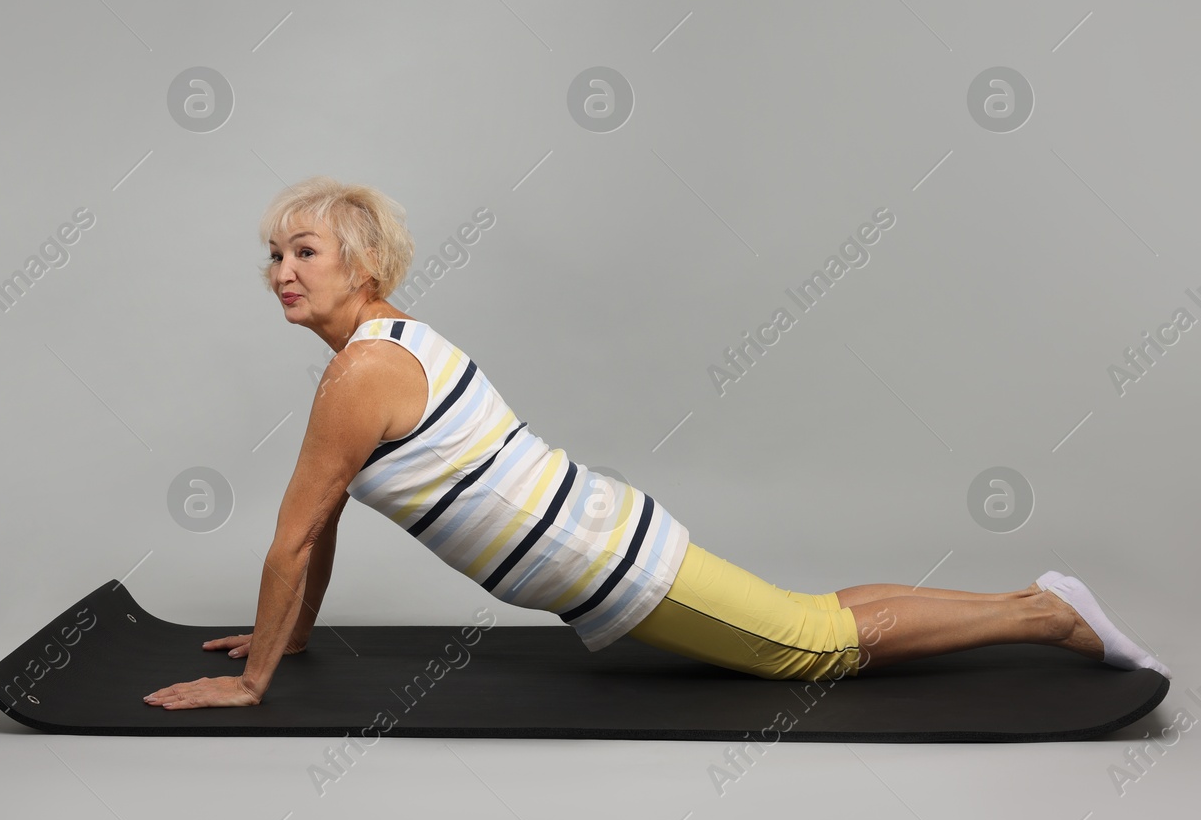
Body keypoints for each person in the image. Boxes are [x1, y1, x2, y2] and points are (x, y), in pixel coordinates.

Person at [142, 177, 1171, 710]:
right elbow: (315, 530)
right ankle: (1036, 602)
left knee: (815, 647)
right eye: (272, 253)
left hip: (610, 559)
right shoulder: (384, 346)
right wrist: (294, 634)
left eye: (304, 249)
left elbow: (291, 534)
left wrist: (253, 679)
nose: (281, 268)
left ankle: (1043, 612)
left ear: (360, 262)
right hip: (607, 534)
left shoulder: (361, 371)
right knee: (811, 619)